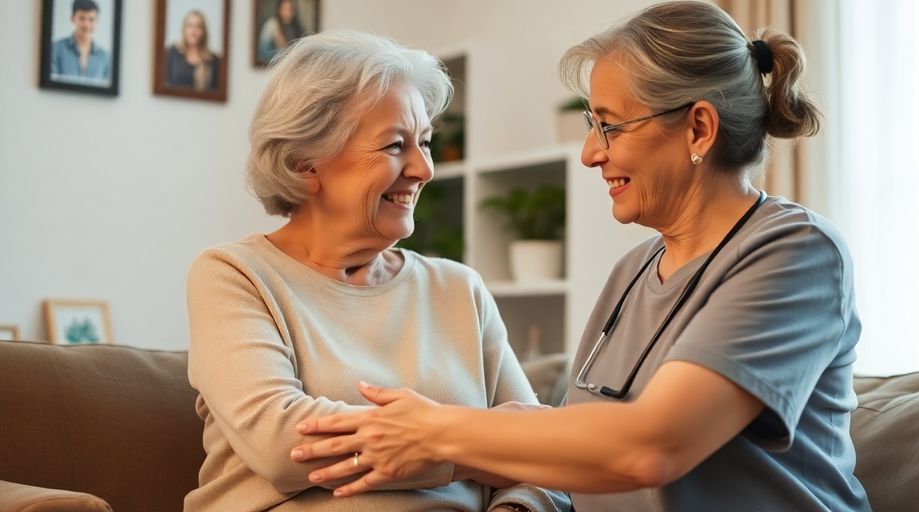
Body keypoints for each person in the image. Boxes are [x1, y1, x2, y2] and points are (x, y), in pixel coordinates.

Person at [289, 2, 873, 511]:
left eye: (610, 126)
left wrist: (436, 431)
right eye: (592, 124)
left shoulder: (794, 254)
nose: (591, 153)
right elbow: (572, 446)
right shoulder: (634, 271)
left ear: (698, 129)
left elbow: (651, 446)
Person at [184, 29, 569, 512]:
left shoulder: (458, 289)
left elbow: (545, 453)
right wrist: (474, 443)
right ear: (306, 163)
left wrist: (517, 506)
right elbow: (283, 445)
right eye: (394, 146)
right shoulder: (234, 275)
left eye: (424, 143)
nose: (423, 169)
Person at [50, 0, 110, 84]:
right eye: (82, 18)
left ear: (97, 21)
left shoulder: (105, 57)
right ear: (72, 18)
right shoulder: (55, 49)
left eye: (91, 19)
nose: (86, 25)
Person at [165, 10, 220, 90]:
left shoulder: (213, 60)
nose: (193, 31)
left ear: (204, 31)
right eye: (190, 26)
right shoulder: (173, 52)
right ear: (184, 29)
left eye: (198, 27)